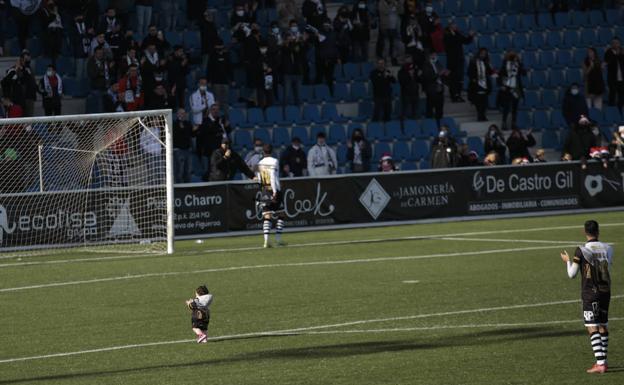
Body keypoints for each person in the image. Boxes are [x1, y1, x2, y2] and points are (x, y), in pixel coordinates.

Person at [559, 220, 613, 374]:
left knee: (591, 326)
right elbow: (606, 268)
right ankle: (604, 360)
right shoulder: (608, 248)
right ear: (598, 231)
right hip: (605, 290)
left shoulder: (581, 250)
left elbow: (572, 275)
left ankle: (601, 363)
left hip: (590, 292)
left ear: (585, 232)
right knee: (603, 324)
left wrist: (567, 261)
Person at [257, 144, 286, 248]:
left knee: (267, 215)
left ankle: (266, 241)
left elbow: (259, 179)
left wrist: (262, 189)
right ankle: (278, 239)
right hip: (274, 190)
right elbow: (273, 176)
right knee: (281, 214)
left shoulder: (260, 163)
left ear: (263, 152)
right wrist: (274, 192)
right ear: (272, 151)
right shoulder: (274, 161)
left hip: (264, 190)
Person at [444, 22, 475, 103]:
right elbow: (450, 43)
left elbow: (465, 41)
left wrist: (470, 36)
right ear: (450, 27)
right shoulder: (447, 35)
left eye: (456, 26)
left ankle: (458, 94)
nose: (456, 27)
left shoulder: (457, 34)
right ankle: (454, 95)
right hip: (452, 61)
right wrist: (456, 35)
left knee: (459, 79)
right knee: (453, 79)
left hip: (459, 59)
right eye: (454, 26)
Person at [497, 51, 526, 130]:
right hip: (507, 88)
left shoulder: (518, 65)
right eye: (513, 58)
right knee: (506, 107)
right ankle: (504, 123)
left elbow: (524, 73)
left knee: (515, 107)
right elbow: (500, 76)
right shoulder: (505, 65)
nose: (514, 59)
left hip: (516, 88)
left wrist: (520, 65)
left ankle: (513, 123)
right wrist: (501, 85)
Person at [468, 48, 495, 122]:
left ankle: (483, 115)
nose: (483, 55)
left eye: (484, 54)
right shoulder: (473, 62)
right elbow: (470, 72)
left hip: (485, 84)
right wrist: (473, 79)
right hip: (476, 84)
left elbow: (490, 72)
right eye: (482, 53)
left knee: (484, 101)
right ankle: (480, 115)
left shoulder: (486, 62)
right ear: (479, 53)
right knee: (478, 101)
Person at [422, 52, 448, 123]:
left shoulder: (438, 64)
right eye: (433, 55)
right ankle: (430, 123)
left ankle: (439, 122)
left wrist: (445, 74)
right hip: (431, 89)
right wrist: (438, 74)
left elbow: (442, 74)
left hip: (440, 88)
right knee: (430, 107)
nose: (435, 56)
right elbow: (428, 77)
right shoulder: (426, 65)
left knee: (440, 108)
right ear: (430, 56)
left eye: (436, 55)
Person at [173, 108, 196, 183]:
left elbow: (191, 135)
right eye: (181, 113)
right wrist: (181, 127)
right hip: (179, 150)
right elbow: (175, 136)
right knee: (179, 170)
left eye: (184, 113)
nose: (183, 115)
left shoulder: (188, 123)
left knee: (188, 170)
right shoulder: (174, 124)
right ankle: (179, 188)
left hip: (188, 149)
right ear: (177, 115)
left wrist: (195, 130)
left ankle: (188, 187)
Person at [377, 0, 400, 65]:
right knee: (387, 44)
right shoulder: (381, 3)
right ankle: (385, 60)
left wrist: (398, 4)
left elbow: (401, 11)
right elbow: (385, 11)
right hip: (385, 27)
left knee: (394, 44)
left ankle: (394, 59)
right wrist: (392, 5)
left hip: (394, 27)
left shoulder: (395, 3)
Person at [604, 38, 624, 110]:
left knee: (621, 95)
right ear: (611, 44)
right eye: (614, 43)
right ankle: (611, 110)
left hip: (621, 78)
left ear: (619, 44)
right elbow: (609, 61)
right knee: (612, 94)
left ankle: (620, 111)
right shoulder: (608, 52)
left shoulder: (622, 51)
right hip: (612, 78)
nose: (615, 44)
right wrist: (616, 54)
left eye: (617, 43)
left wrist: (620, 54)